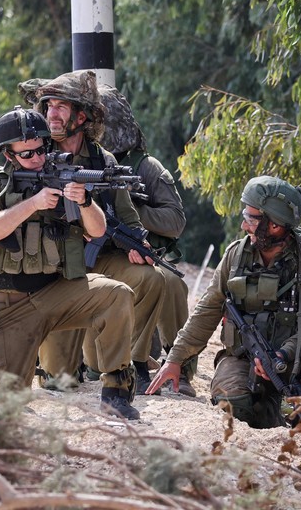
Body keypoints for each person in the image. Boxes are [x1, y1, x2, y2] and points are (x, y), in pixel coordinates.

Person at [0, 106, 139, 419]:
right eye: (27, 154)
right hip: (10, 306)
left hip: (59, 293)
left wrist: (83, 201)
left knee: (117, 294)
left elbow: (97, 230)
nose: (37, 159)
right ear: (9, 156)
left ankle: (117, 392)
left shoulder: (62, 173)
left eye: (42, 150)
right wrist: (34, 203)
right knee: (4, 409)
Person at [146, 176, 301, 438]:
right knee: (234, 408)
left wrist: (282, 356)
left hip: (294, 360)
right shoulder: (235, 255)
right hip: (242, 357)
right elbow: (207, 310)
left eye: (251, 219)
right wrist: (175, 360)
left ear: (274, 225)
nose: (243, 225)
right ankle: (266, 415)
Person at [19, 71, 166, 392]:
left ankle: (131, 362)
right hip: (52, 271)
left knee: (151, 277)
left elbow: (129, 218)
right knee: (59, 381)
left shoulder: (102, 160)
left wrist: (136, 242)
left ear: (81, 116)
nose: (52, 114)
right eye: (49, 106)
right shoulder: (33, 155)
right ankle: (61, 355)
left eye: (61, 106)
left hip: (94, 260)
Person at [98, 84, 198, 397]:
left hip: (142, 253)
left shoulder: (146, 168)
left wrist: (132, 207)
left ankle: (179, 365)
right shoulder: (82, 161)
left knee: (169, 282)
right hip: (99, 255)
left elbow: (175, 221)